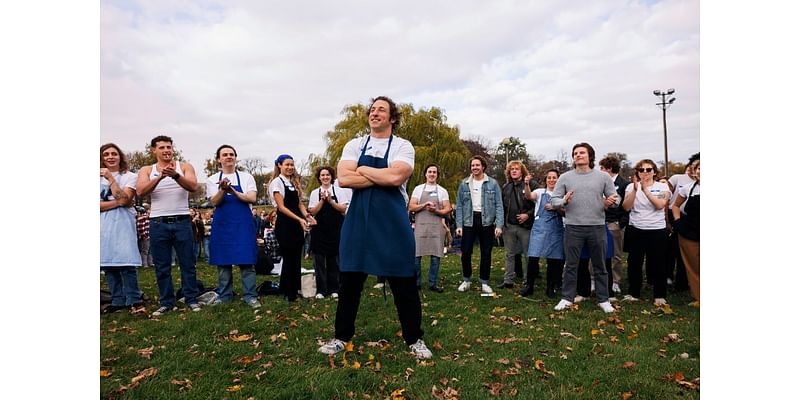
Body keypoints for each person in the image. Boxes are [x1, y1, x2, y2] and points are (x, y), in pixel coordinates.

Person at [318, 96, 432, 359]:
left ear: (392, 118)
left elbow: (395, 177)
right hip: (358, 221)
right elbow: (344, 179)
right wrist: (379, 175)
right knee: (349, 283)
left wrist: (363, 168)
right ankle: (341, 337)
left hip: (392, 223)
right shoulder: (355, 144)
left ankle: (414, 338)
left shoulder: (403, 146)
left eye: (381, 109)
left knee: (404, 282)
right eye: (372, 109)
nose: (375, 112)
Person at [136, 135, 202, 316]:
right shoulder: (147, 169)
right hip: (158, 222)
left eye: (169, 147)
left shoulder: (185, 167)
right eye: (162, 147)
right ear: (154, 150)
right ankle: (166, 302)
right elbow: (141, 191)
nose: (166, 150)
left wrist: (175, 175)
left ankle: (191, 299)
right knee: (162, 265)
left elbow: (193, 186)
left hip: (181, 220)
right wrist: (159, 177)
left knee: (188, 263)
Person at [550, 142, 619, 313]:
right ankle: (566, 298)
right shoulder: (565, 177)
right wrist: (564, 201)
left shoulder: (603, 177)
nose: (578, 155)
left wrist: (612, 201)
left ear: (590, 156)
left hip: (597, 227)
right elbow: (554, 200)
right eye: (575, 153)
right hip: (573, 227)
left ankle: (603, 299)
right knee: (571, 265)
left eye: (582, 152)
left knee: (600, 265)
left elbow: (616, 199)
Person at [205, 144, 261, 308]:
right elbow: (214, 201)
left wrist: (233, 191)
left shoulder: (246, 177)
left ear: (235, 158)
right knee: (223, 262)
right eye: (225, 155)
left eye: (231, 154)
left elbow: (252, 198)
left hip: (242, 224)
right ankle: (225, 295)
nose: (228, 157)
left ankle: (250, 296)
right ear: (219, 159)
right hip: (223, 224)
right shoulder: (212, 179)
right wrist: (223, 189)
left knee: (247, 261)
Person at [621, 159, 672, 306]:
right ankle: (634, 292)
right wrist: (636, 190)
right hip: (636, 229)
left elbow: (660, 205)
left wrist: (645, 190)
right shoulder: (631, 187)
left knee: (658, 263)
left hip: (656, 230)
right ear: (637, 172)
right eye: (641, 170)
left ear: (654, 172)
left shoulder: (662, 187)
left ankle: (660, 295)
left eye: (648, 170)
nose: (645, 173)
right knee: (634, 263)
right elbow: (626, 207)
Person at [100, 143, 143, 313]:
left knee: (126, 262)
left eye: (114, 154)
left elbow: (126, 199)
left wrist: (111, 179)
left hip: (123, 224)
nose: (110, 157)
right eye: (106, 154)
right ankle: (117, 299)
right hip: (103, 226)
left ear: (120, 157)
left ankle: (133, 298)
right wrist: (118, 203)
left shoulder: (129, 176)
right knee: (108, 263)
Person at [454, 155, 504, 295]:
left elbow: (499, 205)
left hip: (486, 221)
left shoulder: (492, 184)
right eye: (472, 165)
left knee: (486, 252)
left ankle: (484, 281)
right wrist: (459, 225)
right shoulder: (464, 184)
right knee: (466, 251)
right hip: (469, 221)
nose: (474, 167)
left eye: (477, 165)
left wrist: (499, 225)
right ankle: (467, 279)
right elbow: (459, 206)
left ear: (483, 167)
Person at [270, 154, 316, 302]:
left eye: (291, 165)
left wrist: (307, 216)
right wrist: (299, 219)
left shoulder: (294, 183)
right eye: (286, 165)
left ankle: (292, 288)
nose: (290, 167)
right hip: (285, 224)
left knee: (296, 258)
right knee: (289, 258)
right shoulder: (277, 183)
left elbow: (299, 204)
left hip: (297, 224)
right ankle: (290, 293)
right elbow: (281, 207)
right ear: (279, 165)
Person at [408, 164, 452, 292]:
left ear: (437, 175)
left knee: (435, 256)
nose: (432, 174)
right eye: (430, 172)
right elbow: (411, 207)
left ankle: (433, 283)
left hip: (436, 227)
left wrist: (436, 210)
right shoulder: (418, 189)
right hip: (420, 226)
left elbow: (447, 208)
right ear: (425, 174)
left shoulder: (442, 191)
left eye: (434, 172)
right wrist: (424, 204)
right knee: (416, 256)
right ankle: (416, 283)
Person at [522, 169, 565, 298]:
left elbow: (566, 212)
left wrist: (555, 207)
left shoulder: (562, 195)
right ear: (546, 180)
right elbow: (528, 196)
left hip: (556, 230)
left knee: (553, 259)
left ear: (558, 180)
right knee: (533, 257)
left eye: (554, 178)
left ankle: (550, 288)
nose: (551, 180)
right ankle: (529, 286)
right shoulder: (540, 192)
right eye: (549, 178)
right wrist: (527, 184)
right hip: (540, 229)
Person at [308, 166, 348, 299]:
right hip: (319, 230)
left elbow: (343, 209)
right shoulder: (315, 192)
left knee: (334, 261)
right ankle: (321, 290)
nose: (325, 177)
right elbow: (312, 212)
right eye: (322, 175)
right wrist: (322, 201)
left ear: (331, 176)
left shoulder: (339, 191)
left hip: (335, 229)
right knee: (319, 261)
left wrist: (331, 201)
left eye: (327, 175)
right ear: (319, 178)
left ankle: (334, 288)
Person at [499, 161, 536, 290]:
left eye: (517, 169)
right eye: (511, 169)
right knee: (509, 254)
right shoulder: (506, 187)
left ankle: (527, 281)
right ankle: (508, 280)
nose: (514, 171)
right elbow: (502, 207)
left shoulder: (531, 184)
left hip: (525, 226)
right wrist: (501, 224)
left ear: (522, 171)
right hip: (509, 226)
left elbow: (538, 203)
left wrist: (528, 215)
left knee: (528, 254)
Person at [666, 152, 699, 291]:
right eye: (699, 168)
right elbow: (675, 205)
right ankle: (697, 295)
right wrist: (678, 221)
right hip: (690, 230)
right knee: (692, 265)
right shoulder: (687, 188)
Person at [598, 156, 629, 294]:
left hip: (614, 223)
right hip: (598, 221)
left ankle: (615, 281)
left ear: (609, 169)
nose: (600, 171)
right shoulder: (598, 182)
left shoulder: (623, 184)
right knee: (597, 253)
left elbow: (624, 205)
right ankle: (594, 279)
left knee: (616, 254)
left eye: (602, 168)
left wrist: (620, 222)